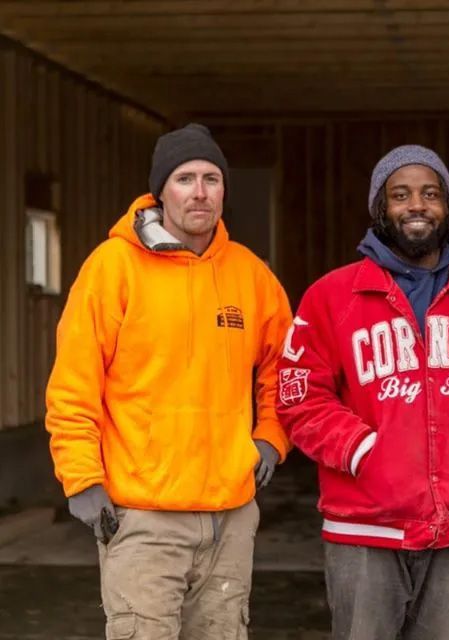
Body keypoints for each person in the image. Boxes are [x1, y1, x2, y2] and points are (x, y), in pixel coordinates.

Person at [276, 144, 449, 640]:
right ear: (380, 208)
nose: (416, 205)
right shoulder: (331, 296)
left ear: (448, 206)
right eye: (400, 194)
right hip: (365, 524)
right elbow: (300, 397)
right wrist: (363, 451)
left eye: (430, 194)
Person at [45, 123, 292, 639]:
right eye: (185, 179)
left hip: (230, 516)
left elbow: (287, 366)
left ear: (225, 189)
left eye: (211, 178)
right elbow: (74, 380)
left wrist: (272, 434)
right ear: (161, 191)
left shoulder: (250, 275)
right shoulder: (113, 269)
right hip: (142, 516)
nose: (199, 192)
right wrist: (81, 476)